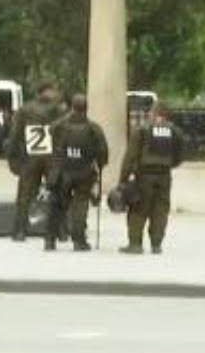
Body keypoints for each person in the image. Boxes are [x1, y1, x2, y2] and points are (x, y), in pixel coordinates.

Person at [117, 102, 186, 254]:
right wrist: (168, 165)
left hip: (144, 175)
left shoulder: (142, 130)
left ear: (154, 113)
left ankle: (135, 243)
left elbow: (130, 157)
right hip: (164, 175)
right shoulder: (175, 132)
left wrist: (123, 180)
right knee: (160, 209)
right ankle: (156, 244)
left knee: (138, 207)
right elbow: (180, 156)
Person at [45, 94, 108, 252]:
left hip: (62, 171)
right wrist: (100, 164)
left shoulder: (61, 125)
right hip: (84, 172)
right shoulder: (93, 128)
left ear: (72, 107)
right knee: (81, 205)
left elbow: (51, 130)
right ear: (86, 108)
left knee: (56, 206)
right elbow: (102, 151)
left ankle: (50, 240)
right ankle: (79, 241)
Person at [5, 82, 66, 241]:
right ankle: (61, 230)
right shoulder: (59, 110)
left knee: (25, 194)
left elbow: (15, 134)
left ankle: (20, 230)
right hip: (52, 156)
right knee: (57, 192)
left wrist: (12, 157)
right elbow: (64, 134)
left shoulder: (25, 110)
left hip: (30, 156)